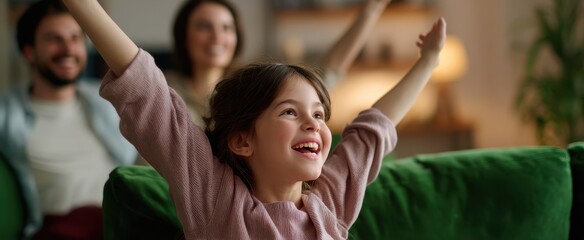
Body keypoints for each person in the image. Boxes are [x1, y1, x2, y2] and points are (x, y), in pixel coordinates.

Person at [62, 0, 445, 238]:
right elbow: (147, 92)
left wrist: (427, 62)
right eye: (291, 113)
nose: (314, 124)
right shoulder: (216, 199)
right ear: (242, 140)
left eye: (318, 115)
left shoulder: (328, 204)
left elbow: (372, 130)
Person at [0, 0, 137, 239]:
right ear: (29, 51)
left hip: (119, 223)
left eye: (75, 38)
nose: (68, 49)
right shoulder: (7, 112)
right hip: (58, 230)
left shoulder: (108, 102)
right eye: (55, 39)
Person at [167, 0, 392, 127]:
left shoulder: (250, 86)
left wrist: (371, 11)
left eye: (227, 28)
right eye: (204, 27)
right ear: (184, 36)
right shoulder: (166, 91)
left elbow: (326, 71)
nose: (217, 37)